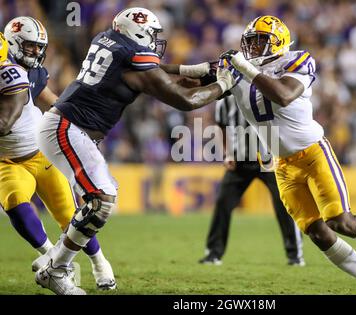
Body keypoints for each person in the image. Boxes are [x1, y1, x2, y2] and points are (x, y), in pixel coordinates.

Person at [217, 15, 356, 294]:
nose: (254, 48)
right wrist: (151, 70)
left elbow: (282, 95)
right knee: (317, 232)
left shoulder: (298, 60)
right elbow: (199, 78)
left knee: (341, 221)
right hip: (281, 163)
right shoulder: (243, 70)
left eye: (261, 41)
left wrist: (244, 68)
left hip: (312, 152)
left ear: (278, 43)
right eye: (251, 42)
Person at [34, 7, 234, 295]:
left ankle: (55, 263)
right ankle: (55, 269)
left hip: (67, 127)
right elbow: (185, 100)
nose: (154, 42)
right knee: (100, 200)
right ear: (138, 33)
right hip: (67, 128)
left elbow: (153, 74)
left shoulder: (110, 41)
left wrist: (191, 70)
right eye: (152, 35)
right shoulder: (133, 58)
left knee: (99, 201)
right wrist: (223, 84)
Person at [2, 17, 116, 290]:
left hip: (40, 153)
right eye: (29, 46)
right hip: (7, 161)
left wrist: (78, 122)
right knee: (15, 202)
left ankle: (99, 261)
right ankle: (52, 257)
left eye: (37, 46)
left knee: (70, 213)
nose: (35, 52)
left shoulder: (25, 73)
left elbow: (50, 100)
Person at [199, 94, 304, 266]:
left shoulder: (266, 93)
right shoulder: (225, 98)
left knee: (284, 204)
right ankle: (213, 253)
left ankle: (295, 255)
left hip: (269, 159)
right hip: (239, 161)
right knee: (223, 203)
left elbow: (283, 122)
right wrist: (226, 153)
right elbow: (220, 127)